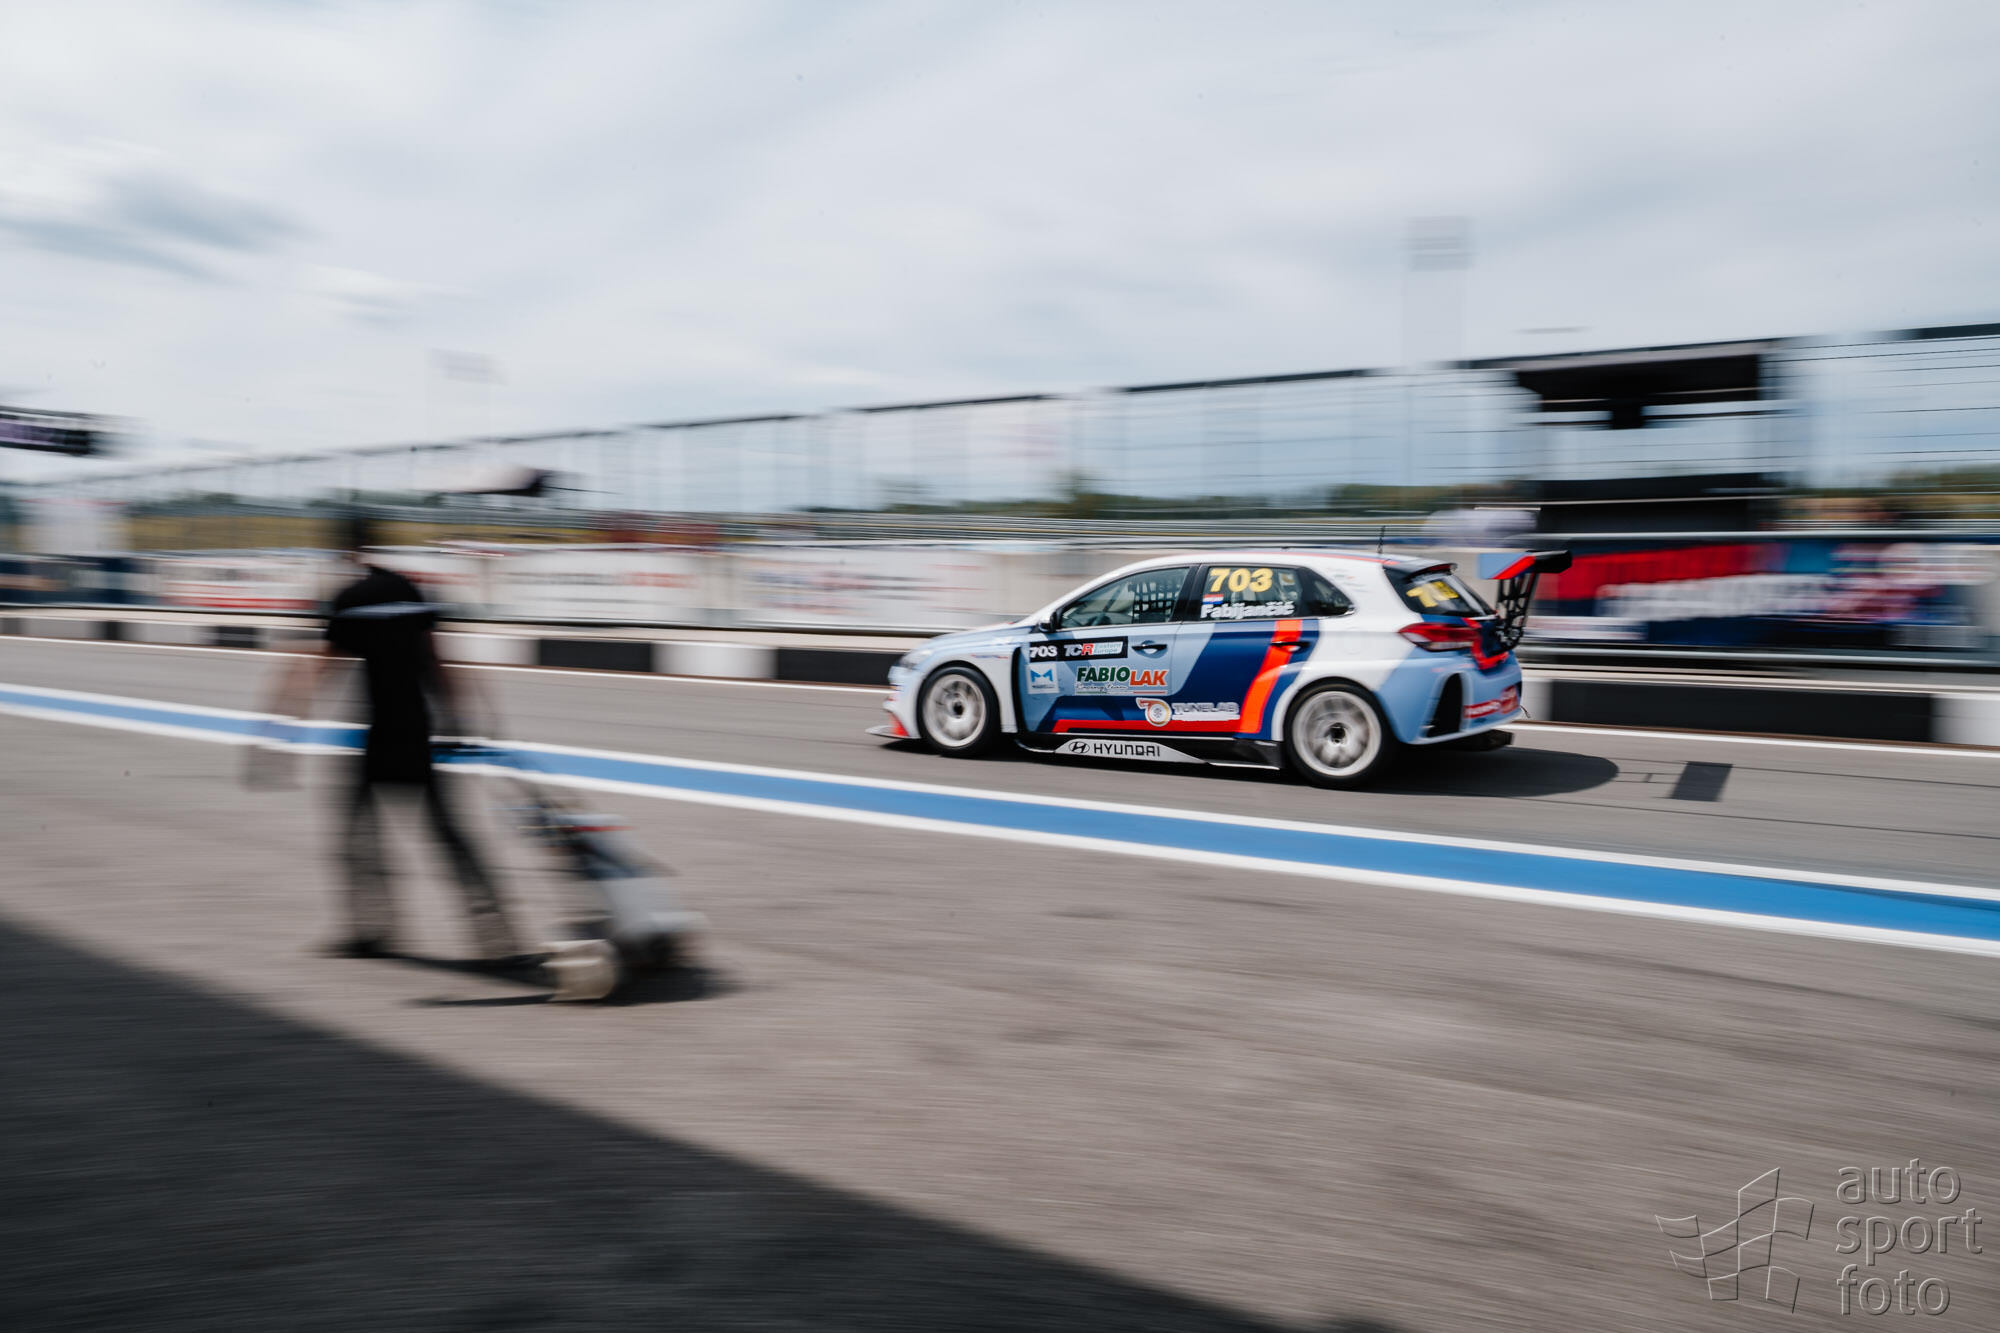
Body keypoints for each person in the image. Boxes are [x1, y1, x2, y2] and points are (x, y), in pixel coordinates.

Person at [258, 514, 528, 965]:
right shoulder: (410, 589)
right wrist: (460, 718)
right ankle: (498, 938)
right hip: (417, 728)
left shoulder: (350, 599)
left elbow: (325, 668)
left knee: (358, 834)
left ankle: (373, 929)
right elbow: (438, 660)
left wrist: (283, 729)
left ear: (344, 549)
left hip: (380, 733)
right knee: (448, 836)